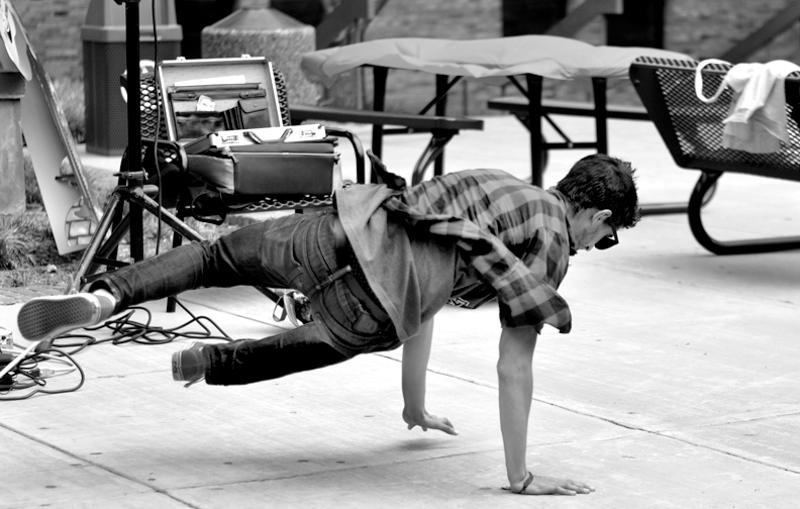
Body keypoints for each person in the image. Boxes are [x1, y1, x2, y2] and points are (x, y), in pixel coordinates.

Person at [17, 153, 639, 496]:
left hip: (346, 226)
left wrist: (414, 405)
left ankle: (107, 295)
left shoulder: (499, 187)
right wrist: (521, 477)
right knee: (309, 346)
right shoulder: (552, 240)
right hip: (378, 299)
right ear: (597, 214)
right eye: (607, 237)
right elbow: (515, 362)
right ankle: (209, 364)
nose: (596, 247)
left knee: (214, 257)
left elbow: (430, 293)